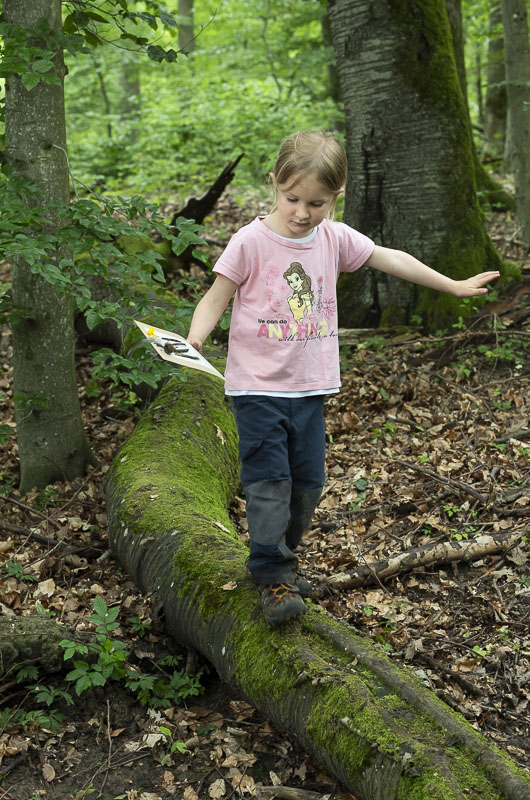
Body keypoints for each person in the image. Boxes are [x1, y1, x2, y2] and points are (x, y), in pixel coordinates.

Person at [186, 130, 500, 627]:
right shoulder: (251, 241)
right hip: (258, 389)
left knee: (308, 484)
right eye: (292, 199)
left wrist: (453, 285)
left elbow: (389, 258)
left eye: (317, 202)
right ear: (274, 184)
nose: (302, 212)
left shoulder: (332, 237)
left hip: (310, 389)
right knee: (270, 484)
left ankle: (280, 560)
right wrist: (197, 337)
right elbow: (216, 296)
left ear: (337, 197)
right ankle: (270, 576)